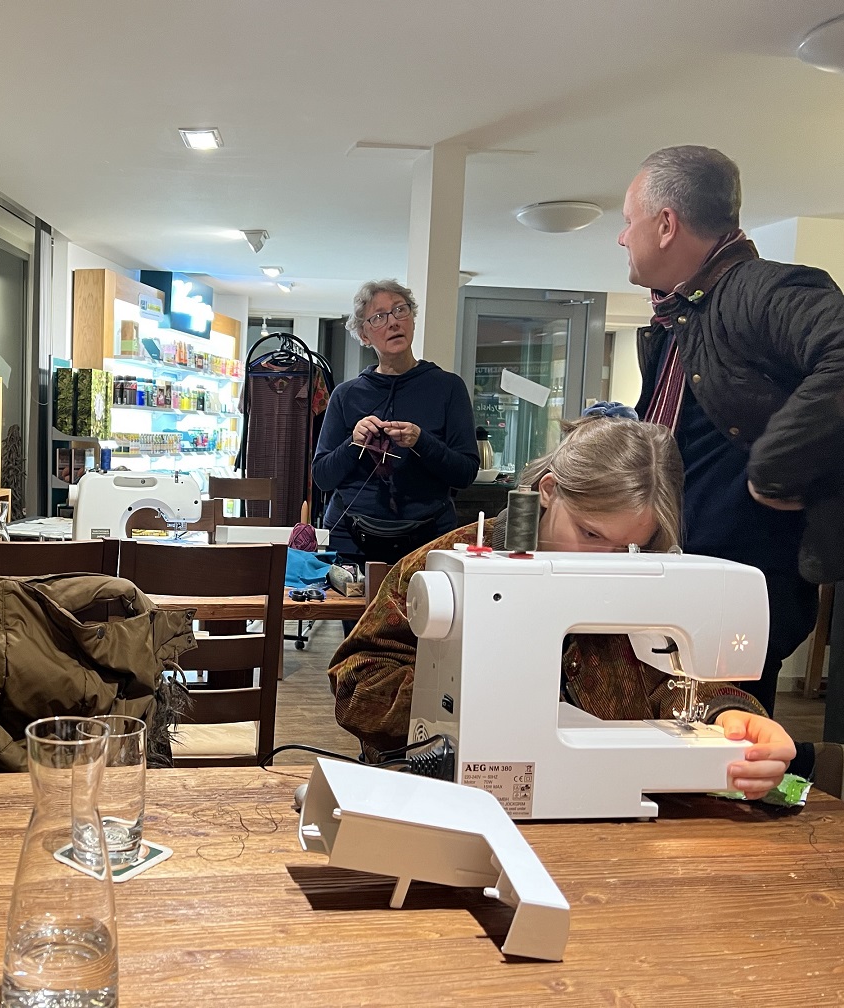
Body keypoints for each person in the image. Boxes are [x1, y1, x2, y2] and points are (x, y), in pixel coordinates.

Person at [330, 417, 797, 801]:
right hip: (454, 800)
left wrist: (727, 714)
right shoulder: (445, 563)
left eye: (627, 548)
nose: (606, 562)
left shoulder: (641, 573)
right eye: (590, 534)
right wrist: (476, 704)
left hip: (608, 797)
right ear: (550, 491)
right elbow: (356, 684)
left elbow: (670, 677)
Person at [619, 145, 844, 715]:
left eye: (628, 221)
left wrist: (774, 469)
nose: (622, 238)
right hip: (693, 571)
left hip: (738, 582)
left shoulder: (760, 289)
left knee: (728, 742)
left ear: (666, 224)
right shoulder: (682, 314)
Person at [312, 279, 478, 593]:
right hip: (351, 541)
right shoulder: (345, 395)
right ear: (364, 335)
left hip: (428, 540)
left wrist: (422, 441)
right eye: (379, 317)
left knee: (423, 623)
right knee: (356, 624)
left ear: (413, 319)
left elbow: (465, 472)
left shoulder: (448, 388)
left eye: (400, 311)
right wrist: (353, 443)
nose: (392, 322)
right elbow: (322, 476)